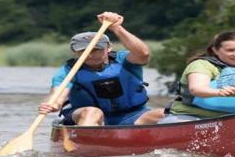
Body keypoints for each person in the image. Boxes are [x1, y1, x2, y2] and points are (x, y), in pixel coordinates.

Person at [37, 12, 165, 127]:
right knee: (92, 112)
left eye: (96, 49)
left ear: (109, 47)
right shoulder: (68, 71)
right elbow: (57, 96)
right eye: (83, 50)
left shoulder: (124, 60)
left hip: (134, 115)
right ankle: (89, 140)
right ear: (74, 52)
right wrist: (52, 104)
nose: (90, 55)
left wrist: (116, 28)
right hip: (85, 116)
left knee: (165, 114)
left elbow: (143, 54)